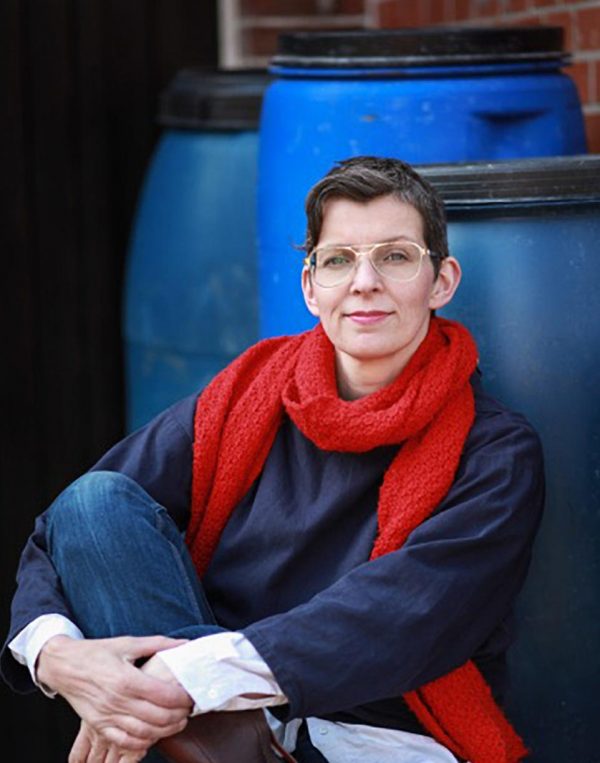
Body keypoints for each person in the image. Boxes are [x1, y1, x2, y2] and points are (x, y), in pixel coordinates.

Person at [1, 156, 544, 763]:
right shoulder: (248, 394)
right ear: (312, 287)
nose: (365, 282)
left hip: (374, 736)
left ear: (441, 281)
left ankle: (223, 743)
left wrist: (163, 686)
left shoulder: (493, 448)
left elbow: (409, 613)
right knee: (95, 503)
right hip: (201, 719)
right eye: (339, 260)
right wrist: (59, 656)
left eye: (395, 256)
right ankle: (235, 746)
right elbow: (64, 530)